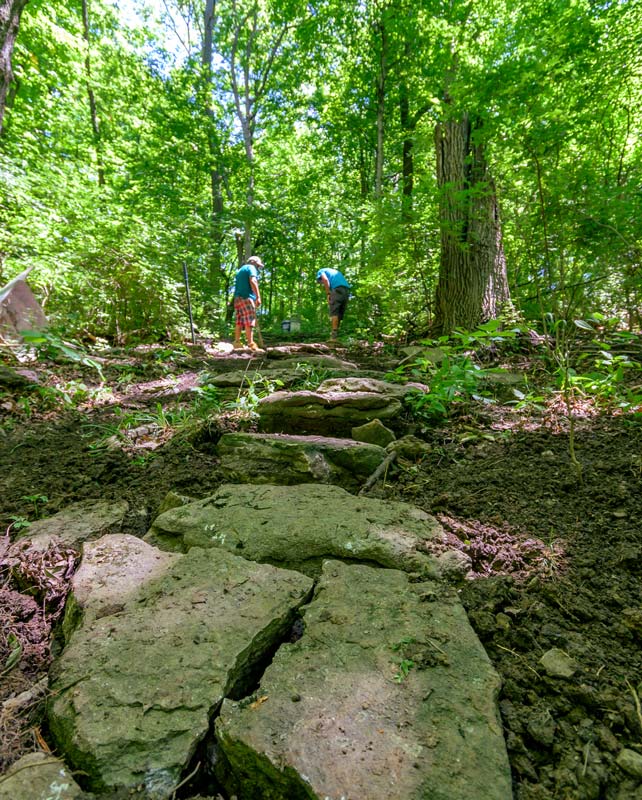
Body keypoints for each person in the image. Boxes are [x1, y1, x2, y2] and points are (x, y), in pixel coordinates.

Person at [233, 255, 264, 351]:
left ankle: (237, 342)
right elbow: (253, 280)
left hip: (238, 298)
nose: (258, 268)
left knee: (239, 321)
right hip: (247, 297)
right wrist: (258, 296)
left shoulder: (241, 270)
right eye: (258, 265)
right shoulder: (251, 268)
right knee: (249, 321)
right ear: (253, 262)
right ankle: (251, 344)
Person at [316, 267, 350, 340]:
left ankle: (333, 337)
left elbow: (325, 280)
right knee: (339, 314)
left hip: (337, 289)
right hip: (346, 290)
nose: (322, 284)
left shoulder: (321, 271)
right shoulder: (335, 272)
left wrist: (328, 293)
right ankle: (337, 336)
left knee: (334, 312)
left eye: (320, 282)